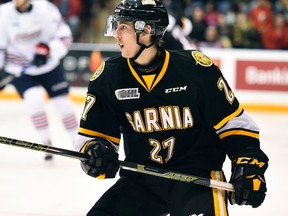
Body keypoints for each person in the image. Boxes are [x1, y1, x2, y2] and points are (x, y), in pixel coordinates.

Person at [74, 0, 269, 215]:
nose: (116, 34)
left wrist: (250, 166)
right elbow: (93, 135)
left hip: (198, 181)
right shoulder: (109, 77)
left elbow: (234, 124)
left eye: (123, 27)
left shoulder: (196, 69)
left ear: (147, 30)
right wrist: (96, 153)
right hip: (141, 180)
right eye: (116, 26)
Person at [0, 0, 79, 161]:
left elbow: (64, 35)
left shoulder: (46, 8)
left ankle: (79, 144)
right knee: (33, 99)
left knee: (63, 105)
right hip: (18, 68)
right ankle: (46, 144)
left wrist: (48, 50)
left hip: (47, 65)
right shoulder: (4, 12)